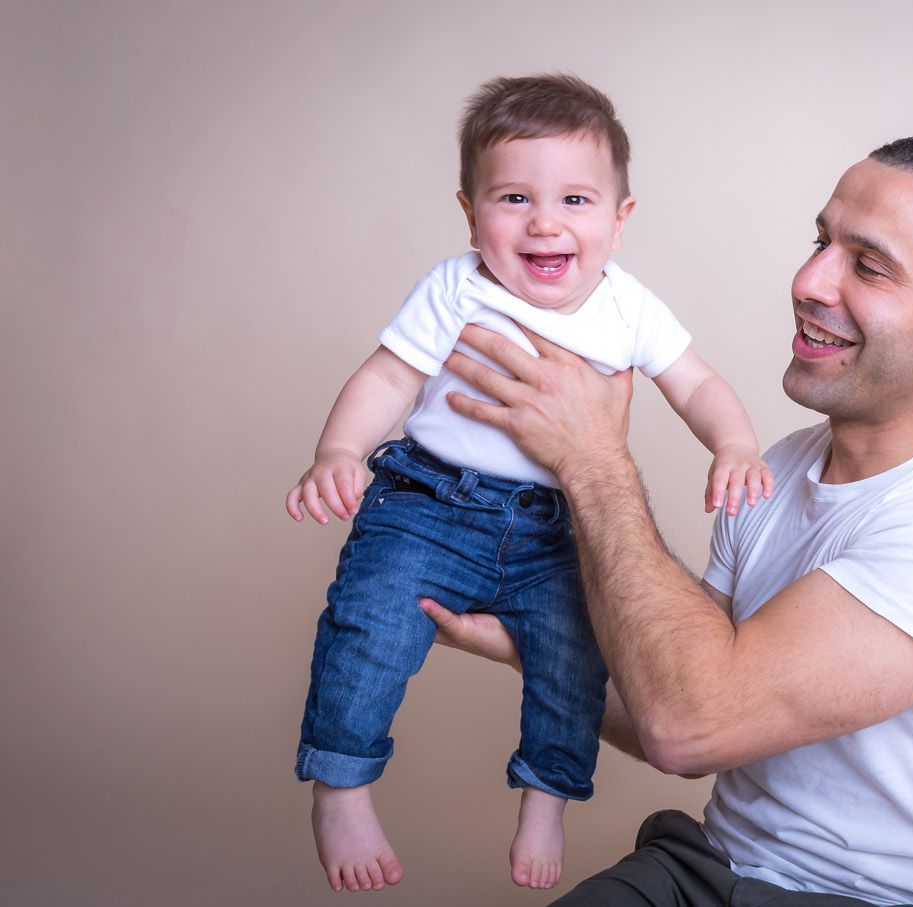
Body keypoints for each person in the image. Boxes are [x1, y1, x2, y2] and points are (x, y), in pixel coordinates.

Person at [421, 136, 913, 906]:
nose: (808, 282)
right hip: (720, 871)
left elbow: (690, 724)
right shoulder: (783, 466)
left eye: (867, 266)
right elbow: (672, 705)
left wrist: (592, 460)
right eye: (820, 241)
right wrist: (527, 640)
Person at [285, 74, 772, 895]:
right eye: (513, 197)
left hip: (558, 530)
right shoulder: (454, 288)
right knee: (367, 627)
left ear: (620, 221)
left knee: (573, 663)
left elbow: (696, 383)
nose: (545, 221)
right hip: (430, 504)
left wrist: (734, 441)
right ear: (471, 213)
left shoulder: (628, 307)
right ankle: (341, 786)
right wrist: (338, 449)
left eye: (576, 199)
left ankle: (546, 797)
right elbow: (387, 379)